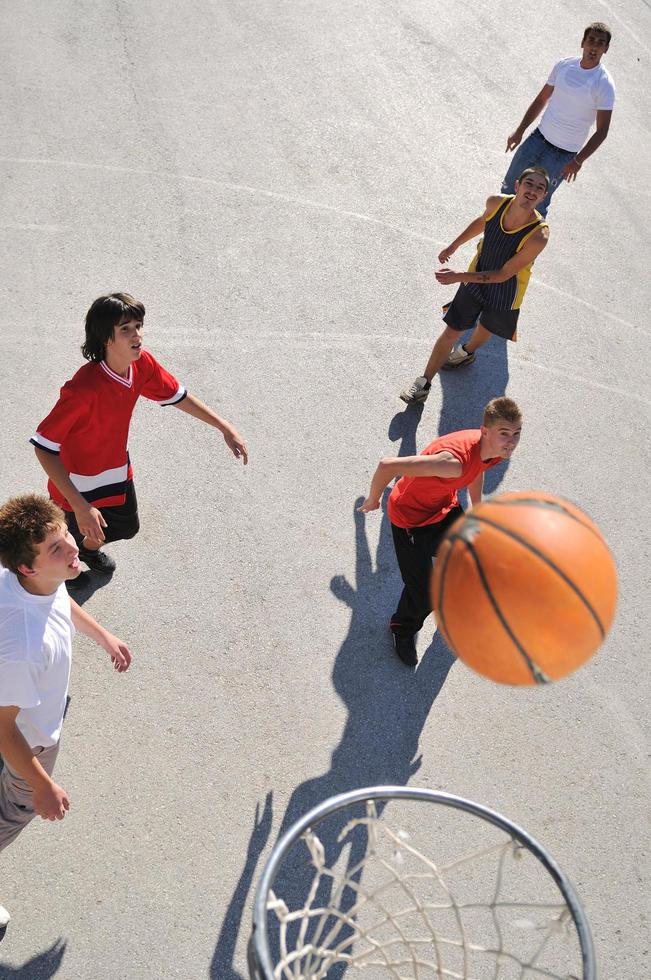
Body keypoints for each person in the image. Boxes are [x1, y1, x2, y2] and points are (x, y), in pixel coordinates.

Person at [31, 293, 248, 586]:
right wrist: (80, 505)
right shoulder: (83, 390)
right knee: (60, 540)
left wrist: (224, 426)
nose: (137, 335)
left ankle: (85, 549)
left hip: (115, 471)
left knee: (125, 526)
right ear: (106, 338)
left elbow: (176, 395)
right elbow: (44, 448)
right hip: (75, 482)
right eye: (126, 329)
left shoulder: (141, 365)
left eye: (138, 326)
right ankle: (57, 575)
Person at [0, 494, 132, 941]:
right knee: (6, 821)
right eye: (57, 549)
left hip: (19, 710)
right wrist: (43, 786)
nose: (74, 549)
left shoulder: (28, 581)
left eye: (66, 537)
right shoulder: (23, 646)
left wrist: (103, 635)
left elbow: (58, 598)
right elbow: (3, 730)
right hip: (29, 742)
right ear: (28, 567)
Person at [358, 397, 522, 666]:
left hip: (443, 508)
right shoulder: (452, 463)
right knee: (423, 594)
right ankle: (403, 628)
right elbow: (388, 465)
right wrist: (374, 499)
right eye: (504, 434)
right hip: (411, 520)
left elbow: (477, 469)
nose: (511, 442)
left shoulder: (492, 451)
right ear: (485, 431)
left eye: (516, 434)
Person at [399, 170, 549, 405]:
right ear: (517, 185)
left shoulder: (538, 236)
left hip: (507, 292)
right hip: (475, 274)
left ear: (543, 197)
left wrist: (459, 276)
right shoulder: (496, 202)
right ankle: (423, 383)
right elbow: (482, 221)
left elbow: (503, 274)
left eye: (539, 188)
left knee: (486, 328)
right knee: (451, 331)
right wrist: (454, 245)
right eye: (528, 183)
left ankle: (466, 353)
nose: (532, 190)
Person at [502, 22, 614, 216]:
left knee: (536, 207)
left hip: (562, 157)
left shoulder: (603, 84)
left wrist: (578, 161)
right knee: (508, 192)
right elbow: (541, 100)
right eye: (591, 40)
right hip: (537, 140)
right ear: (583, 42)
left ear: (606, 48)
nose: (594, 46)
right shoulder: (564, 65)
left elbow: (602, 131)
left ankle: (523, 246)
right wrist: (520, 131)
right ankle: (491, 241)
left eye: (600, 43)